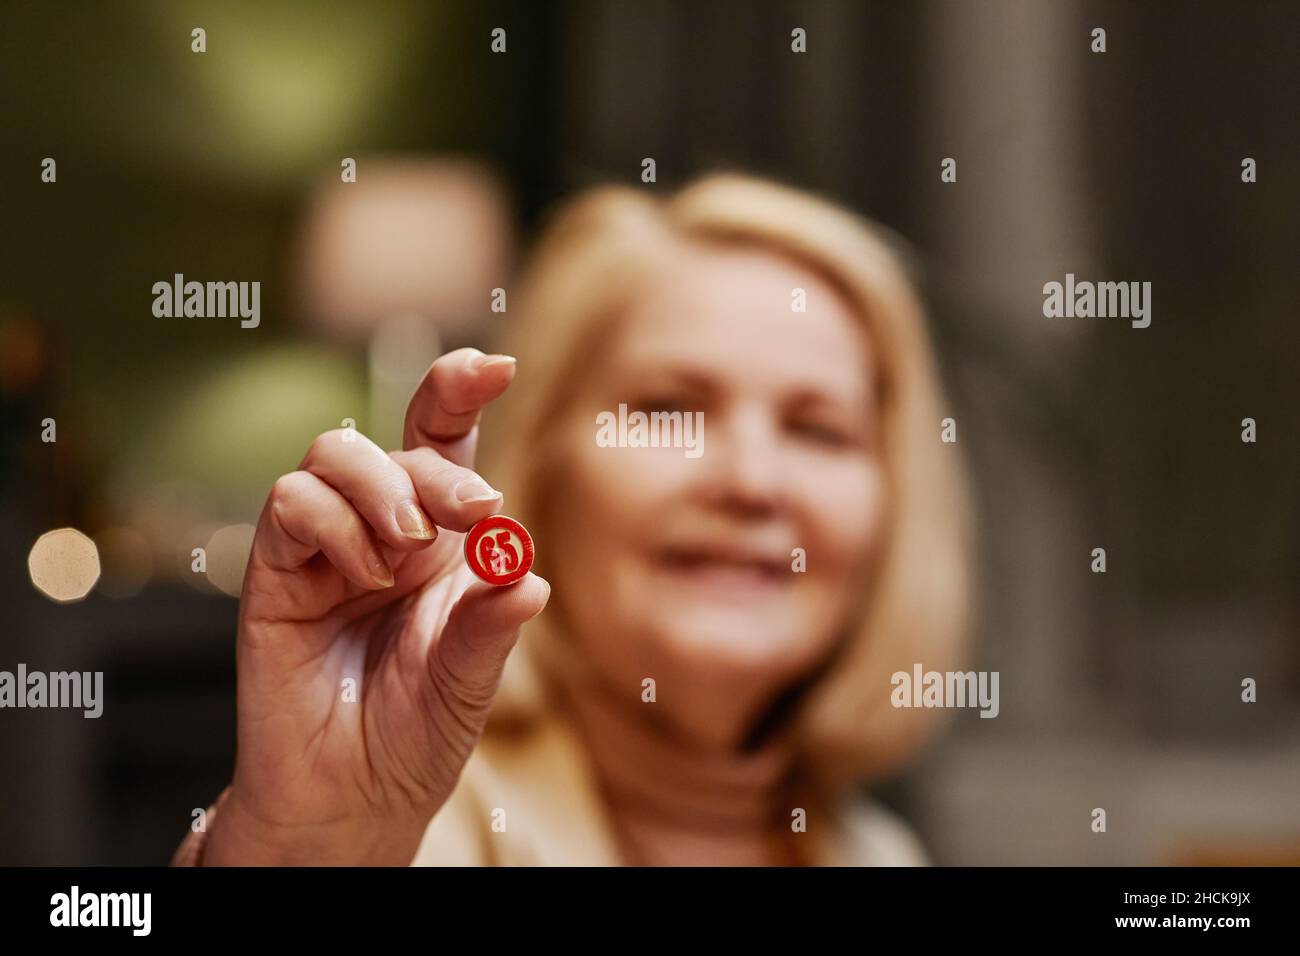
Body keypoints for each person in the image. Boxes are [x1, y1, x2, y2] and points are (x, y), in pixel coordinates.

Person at [173, 172, 973, 867]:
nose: (752, 481)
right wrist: (311, 852)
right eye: (668, 411)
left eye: (817, 429)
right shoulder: (413, 829)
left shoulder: (880, 853)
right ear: (544, 474)